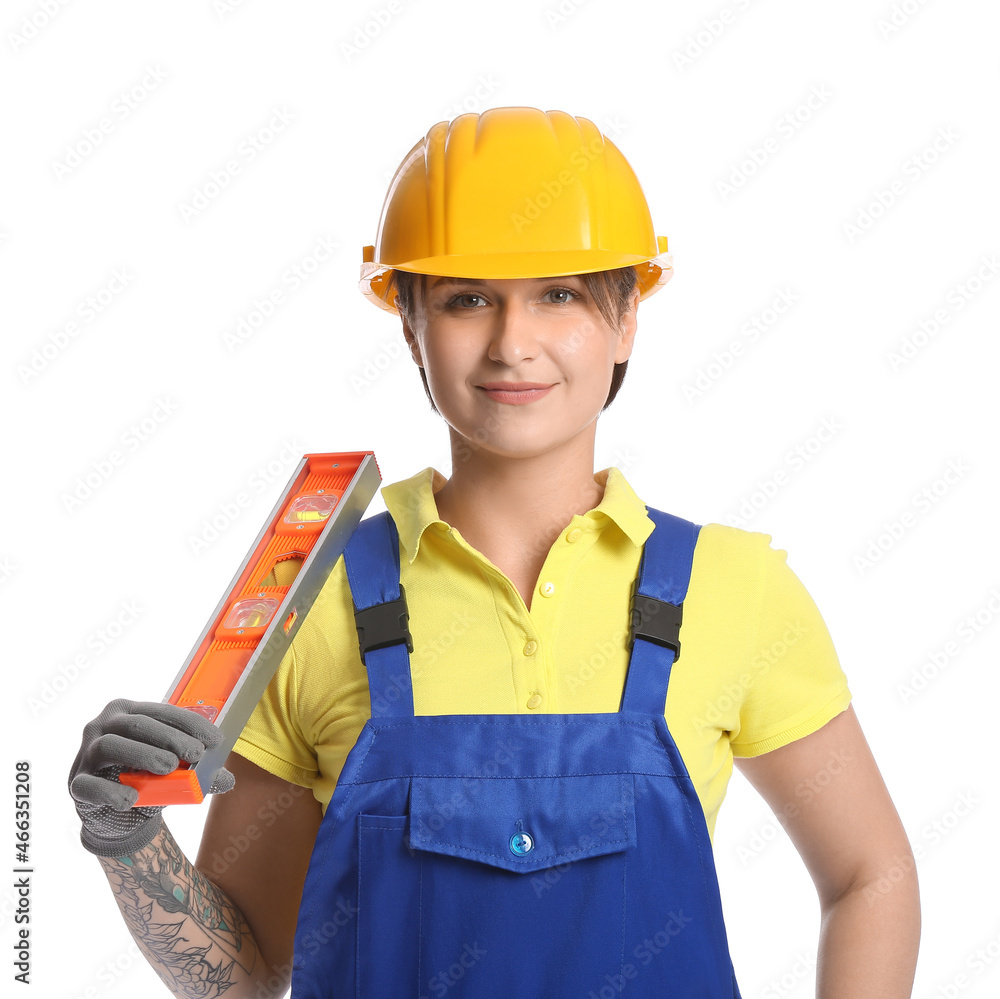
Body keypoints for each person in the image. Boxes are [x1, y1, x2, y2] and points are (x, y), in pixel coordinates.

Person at [68, 107, 920, 998]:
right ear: (408, 325)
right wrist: (130, 843)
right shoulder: (309, 603)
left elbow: (872, 875)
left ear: (627, 318)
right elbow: (246, 976)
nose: (513, 343)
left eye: (560, 295)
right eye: (466, 298)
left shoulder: (732, 589)